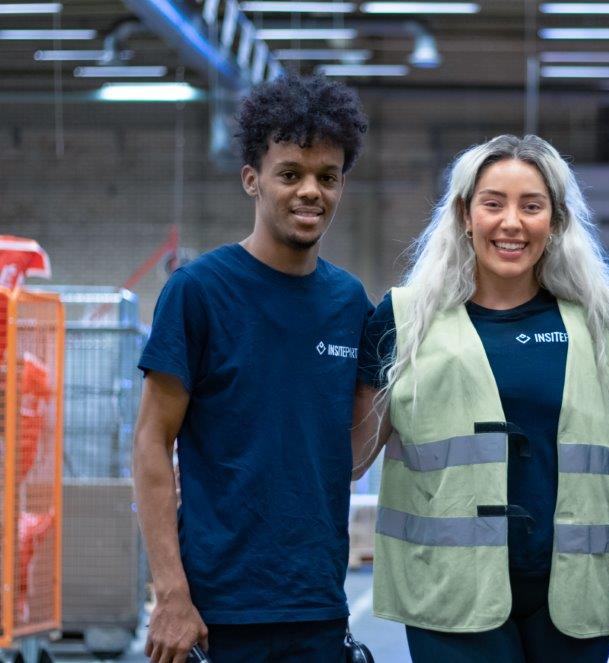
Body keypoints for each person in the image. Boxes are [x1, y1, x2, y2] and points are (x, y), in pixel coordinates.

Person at [351, 134, 609, 662]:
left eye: (532, 206)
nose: (512, 223)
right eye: (493, 203)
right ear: (464, 214)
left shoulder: (604, 326)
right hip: (451, 595)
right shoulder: (403, 320)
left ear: (556, 221)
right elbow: (349, 456)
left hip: (573, 598)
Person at [132, 74, 370, 663]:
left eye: (327, 176)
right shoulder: (198, 292)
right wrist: (171, 594)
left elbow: (351, 448)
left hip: (318, 605)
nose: (309, 191)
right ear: (253, 180)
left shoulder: (350, 304)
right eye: (290, 173)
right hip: (217, 613)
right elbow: (151, 442)